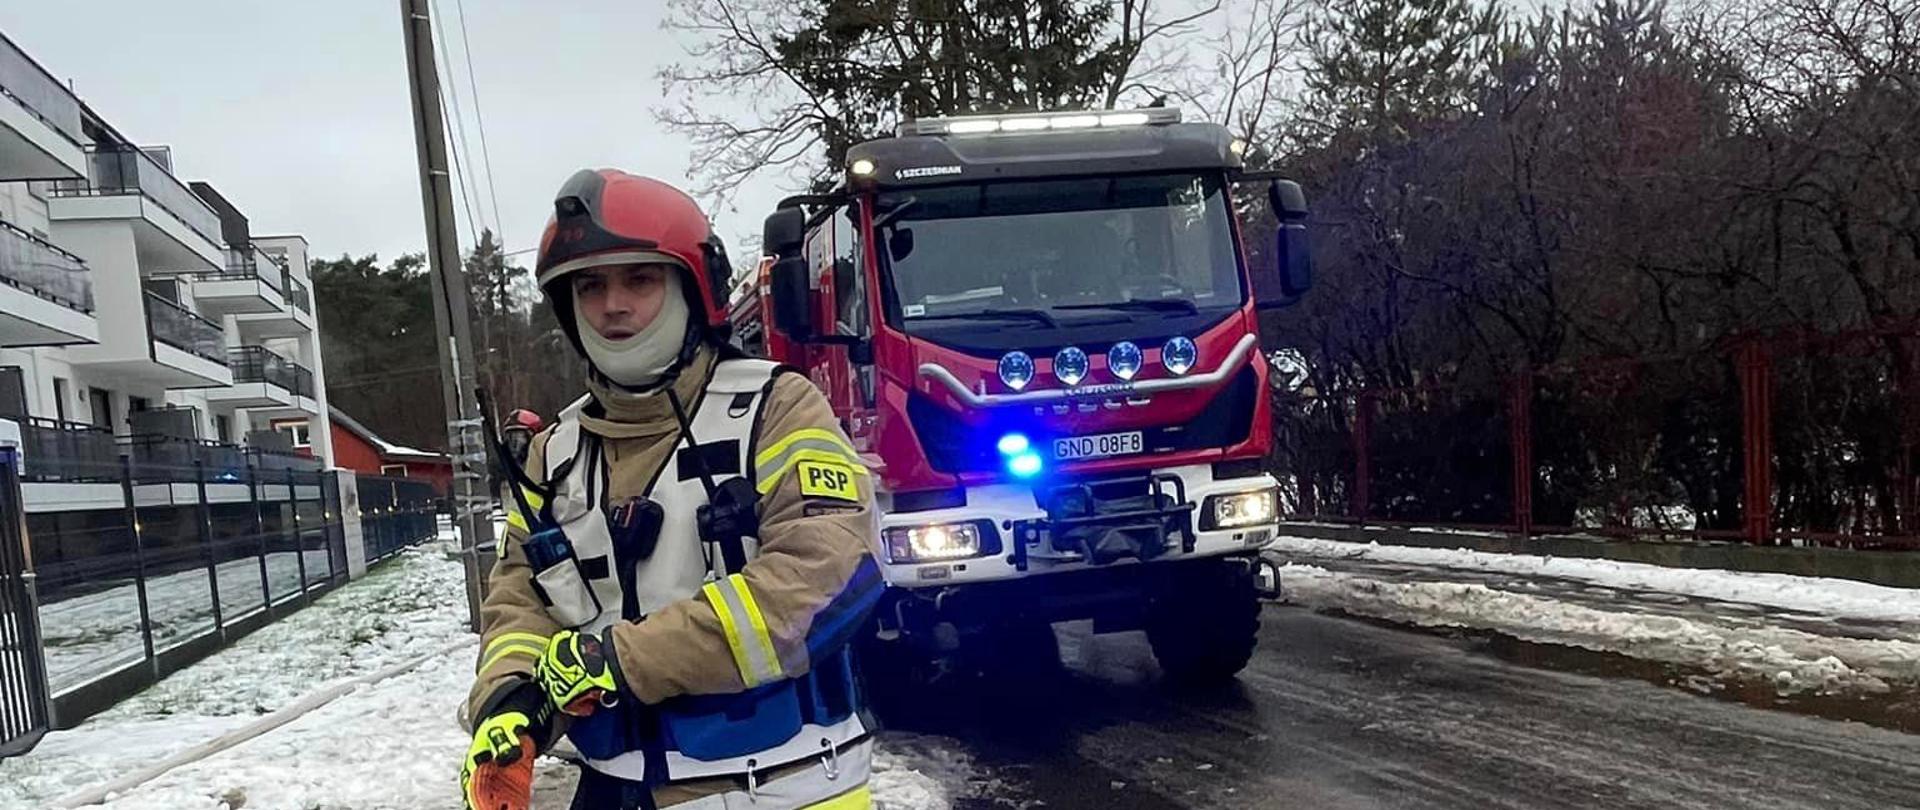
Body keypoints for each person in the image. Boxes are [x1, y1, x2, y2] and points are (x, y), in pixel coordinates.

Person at [459, 169, 884, 810]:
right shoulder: (553, 452)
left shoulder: (777, 406)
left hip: (782, 785)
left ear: (694, 285)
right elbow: (519, 601)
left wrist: (619, 661)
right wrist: (509, 703)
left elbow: (831, 575)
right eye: (590, 285)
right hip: (615, 789)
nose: (613, 305)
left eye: (640, 278)